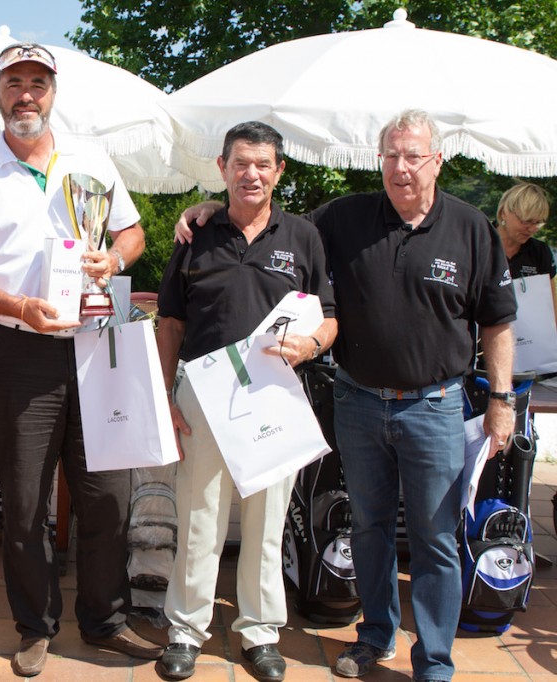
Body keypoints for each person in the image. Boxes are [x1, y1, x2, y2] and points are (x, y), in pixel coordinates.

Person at [175, 110, 516, 682]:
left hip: (434, 405)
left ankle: (433, 659)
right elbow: (267, 221)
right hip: (358, 401)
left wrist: (501, 399)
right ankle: (374, 638)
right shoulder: (346, 216)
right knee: (368, 528)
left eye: (414, 156)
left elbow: (498, 322)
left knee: (433, 538)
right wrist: (207, 211)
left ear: (437, 160)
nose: (401, 168)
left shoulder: (472, 227)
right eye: (391, 156)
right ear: (379, 160)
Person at [0, 42, 160, 677]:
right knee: (27, 503)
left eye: (38, 82)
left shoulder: (90, 159)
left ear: (53, 93)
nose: (26, 94)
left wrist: (113, 261)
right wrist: (15, 304)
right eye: (14, 83)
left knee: (107, 496)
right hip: (22, 350)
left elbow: (133, 233)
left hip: (96, 348)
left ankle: (105, 621)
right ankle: (35, 625)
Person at [155, 121, 337, 682]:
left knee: (266, 523)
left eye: (263, 164)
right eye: (241, 163)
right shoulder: (195, 235)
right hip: (204, 394)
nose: (251, 174)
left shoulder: (303, 235)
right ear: (223, 168)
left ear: (279, 170)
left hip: (275, 397)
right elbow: (170, 322)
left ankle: (260, 633)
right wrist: (165, 395)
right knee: (200, 516)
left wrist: (310, 345)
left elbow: (329, 317)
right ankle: (186, 630)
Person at [495, 182, 557, 326]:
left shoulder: (540, 252)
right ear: (504, 212)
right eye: (526, 221)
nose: (532, 229)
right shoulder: (480, 243)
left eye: (538, 223)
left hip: (529, 337)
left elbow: (550, 304)